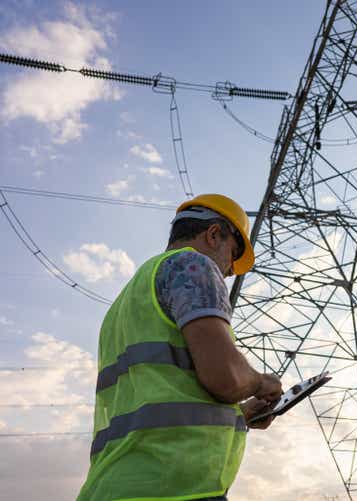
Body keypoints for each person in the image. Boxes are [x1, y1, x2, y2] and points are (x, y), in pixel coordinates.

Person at [77, 194, 283, 501]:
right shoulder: (193, 266)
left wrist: (239, 415)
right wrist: (262, 382)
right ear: (214, 234)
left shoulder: (129, 298)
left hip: (118, 485)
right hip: (172, 488)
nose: (229, 272)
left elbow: (161, 396)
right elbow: (225, 377)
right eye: (233, 254)